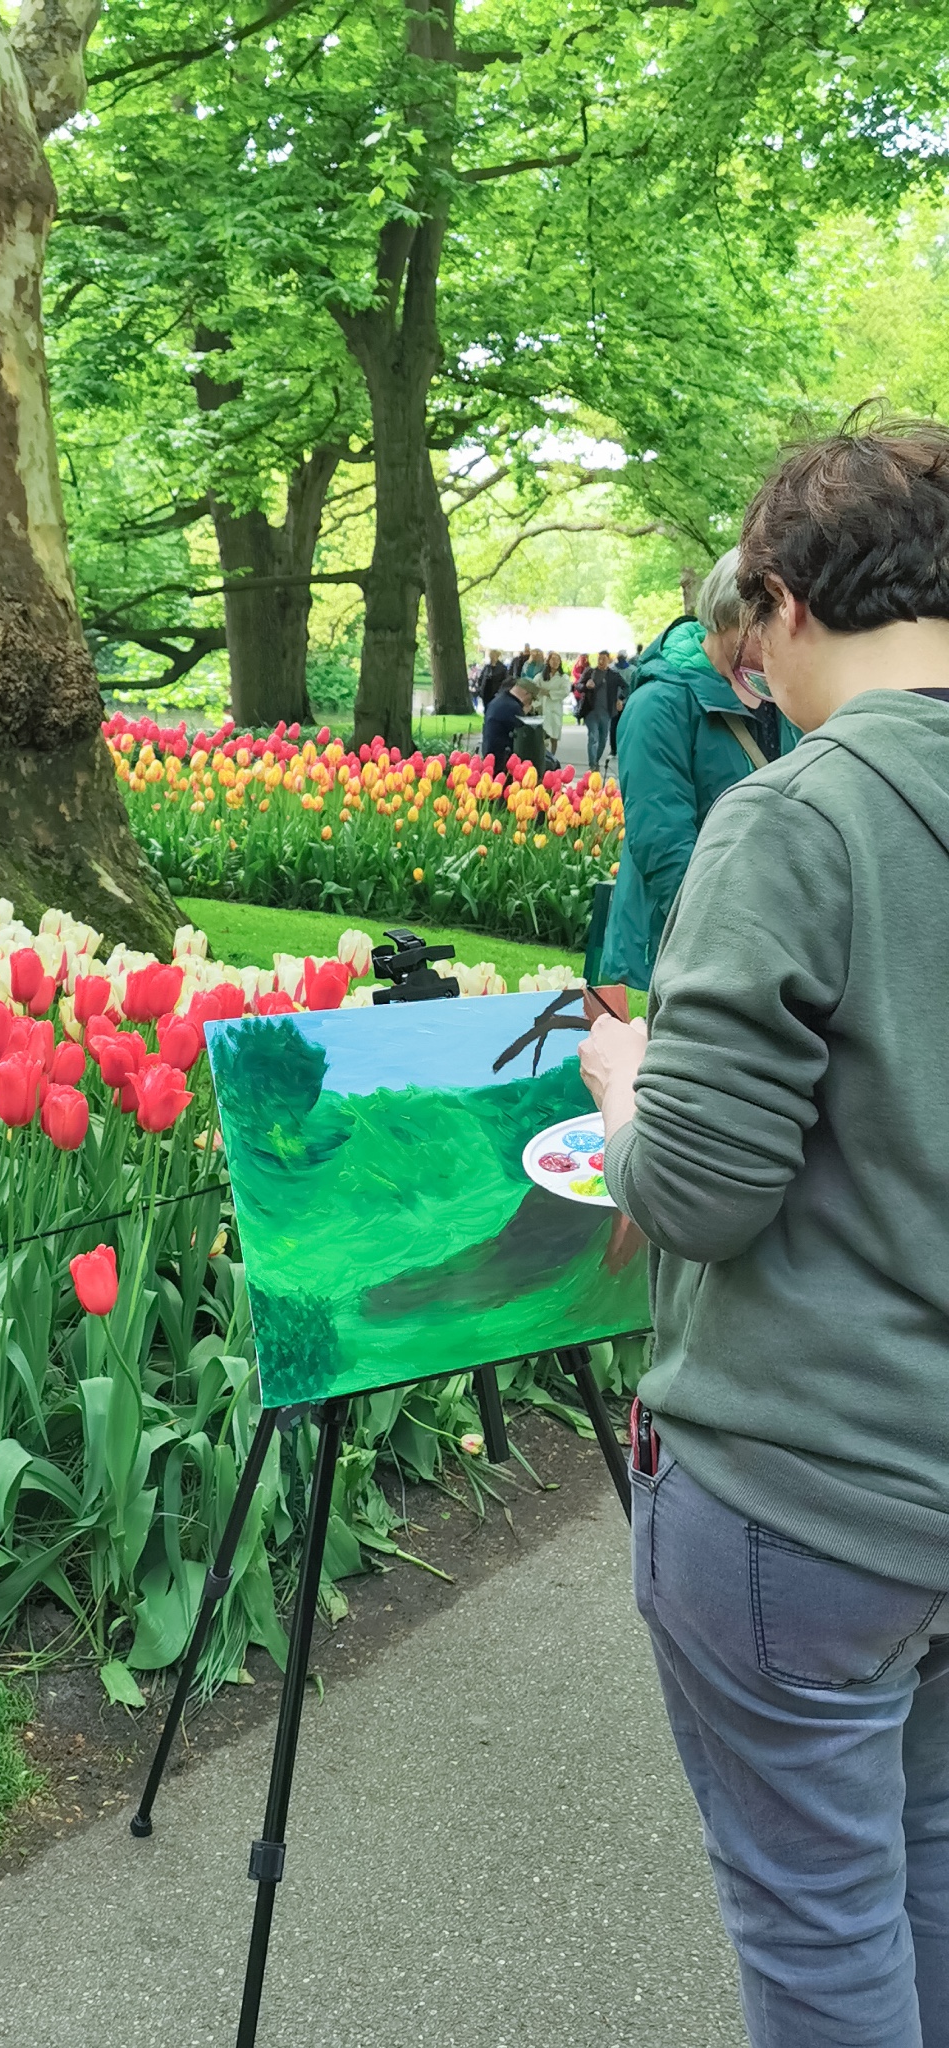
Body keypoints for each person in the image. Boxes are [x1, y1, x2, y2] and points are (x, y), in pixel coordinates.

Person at [579, 419, 949, 2048]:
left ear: (784, 602)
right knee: (927, 1867)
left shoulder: (799, 815)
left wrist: (622, 1073)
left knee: (815, 1921)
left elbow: (703, 1188)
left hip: (804, 1486)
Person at [599, 553, 794, 989]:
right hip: (670, 951)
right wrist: (731, 946)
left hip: (758, 945)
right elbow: (664, 848)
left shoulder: (781, 696)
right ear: (734, 618)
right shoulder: (660, 704)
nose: (777, 644)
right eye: (766, 628)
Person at [480, 673, 536, 767]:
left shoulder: (499, 699)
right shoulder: (513, 708)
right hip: (501, 757)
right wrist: (524, 714)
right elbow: (523, 734)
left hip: (489, 751)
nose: (530, 702)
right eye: (531, 699)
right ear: (526, 694)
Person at [576, 653, 617, 770]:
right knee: (593, 737)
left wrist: (620, 699)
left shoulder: (612, 675)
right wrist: (585, 686)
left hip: (606, 713)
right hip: (591, 712)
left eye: (604, 659)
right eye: (599, 658)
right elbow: (578, 685)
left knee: (603, 739)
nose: (601, 661)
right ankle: (592, 764)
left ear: (608, 660)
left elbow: (622, 687)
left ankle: (596, 760)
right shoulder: (589, 672)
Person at [534, 651, 569, 756]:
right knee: (543, 734)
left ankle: (552, 756)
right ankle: (542, 755)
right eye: (553, 659)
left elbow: (565, 691)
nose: (555, 662)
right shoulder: (540, 676)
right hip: (542, 707)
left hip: (555, 708)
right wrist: (540, 692)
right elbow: (534, 687)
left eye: (557, 660)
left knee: (554, 735)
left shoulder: (563, 678)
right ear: (548, 661)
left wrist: (549, 693)